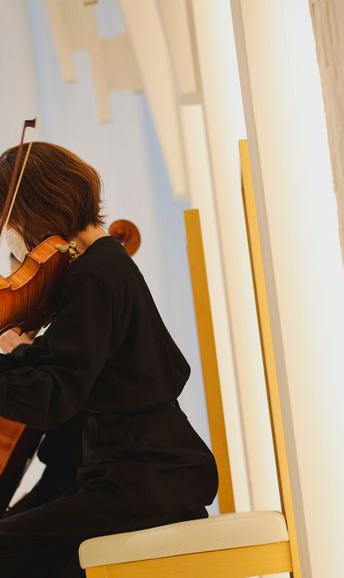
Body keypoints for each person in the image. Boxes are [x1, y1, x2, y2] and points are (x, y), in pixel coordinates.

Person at [0, 142, 219, 577]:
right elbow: (64, 366)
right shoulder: (102, 265)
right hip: (146, 474)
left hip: (139, 482)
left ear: (38, 208)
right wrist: (22, 353)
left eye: (13, 221)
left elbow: (54, 396)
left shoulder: (93, 277)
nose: (15, 236)